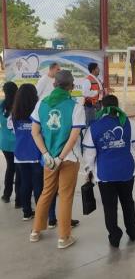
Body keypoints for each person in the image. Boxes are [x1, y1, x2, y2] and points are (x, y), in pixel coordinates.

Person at [30, 70, 86, 249]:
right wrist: (61, 157)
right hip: (68, 158)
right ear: (71, 86)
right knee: (65, 196)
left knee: (46, 192)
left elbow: (35, 132)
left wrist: (46, 155)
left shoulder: (41, 104)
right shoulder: (76, 106)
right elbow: (74, 135)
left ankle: (35, 231)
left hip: (48, 160)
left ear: (54, 84)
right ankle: (63, 237)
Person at [83, 95, 135, 248]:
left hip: (105, 174)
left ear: (102, 107)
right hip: (126, 171)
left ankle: (114, 235)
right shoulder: (128, 123)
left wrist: (88, 172)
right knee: (128, 202)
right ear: (117, 106)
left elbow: (89, 155)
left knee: (109, 206)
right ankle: (132, 231)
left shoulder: (94, 126)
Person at [9, 84, 57, 221]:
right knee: (38, 185)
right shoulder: (39, 113)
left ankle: (26, 212)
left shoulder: (13, 115)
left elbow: (13, 131)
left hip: (20, 154)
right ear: (34, 96)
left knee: (25, 183)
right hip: (36, 153)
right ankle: (42, 213)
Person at [0, 82, 20, 206]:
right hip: (19, 142)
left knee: (10, 168)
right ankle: (19, 199)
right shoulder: (20, 104)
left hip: (5, 143)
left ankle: (6, 195)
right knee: (19, 171)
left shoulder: (1, 104)